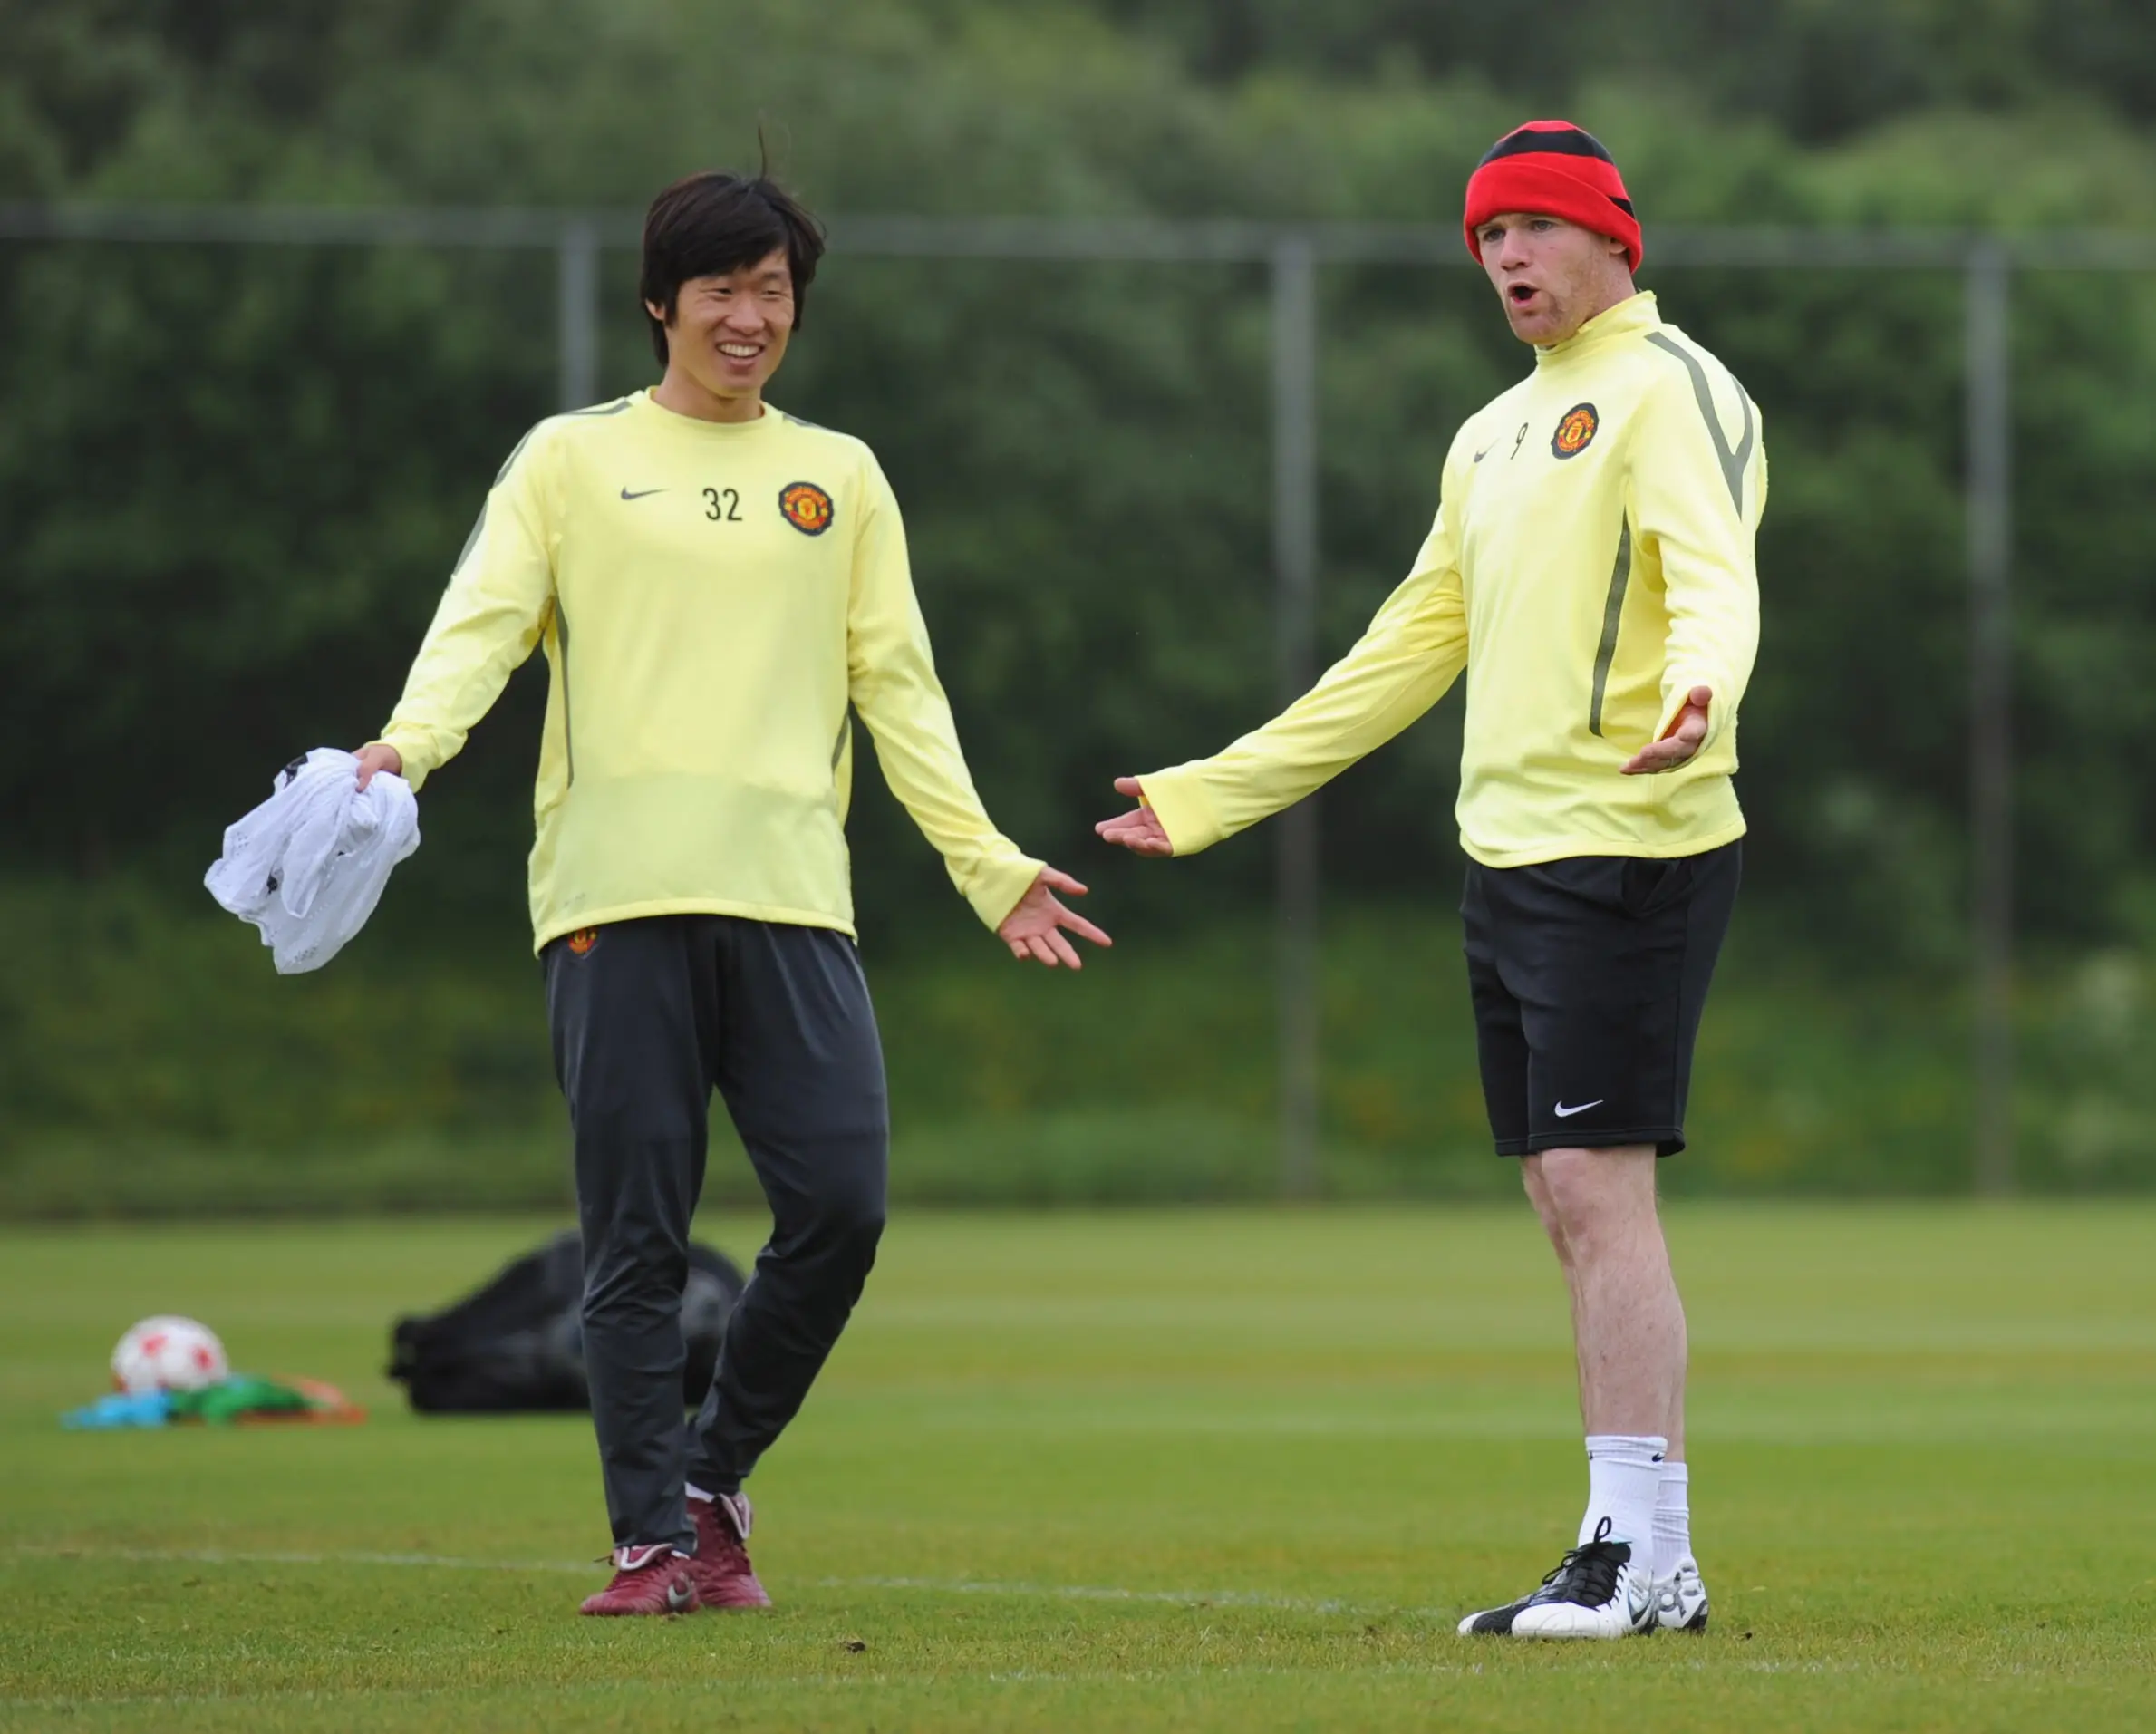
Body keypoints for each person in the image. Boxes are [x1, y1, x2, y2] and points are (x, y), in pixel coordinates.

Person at [357, 170, 1109, 1616]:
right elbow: (482, 630)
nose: (751, 317)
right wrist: (409, 745)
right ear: (662, 301)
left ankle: (710, 1481)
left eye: (774, 291)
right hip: (613, 894)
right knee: (634, 1234)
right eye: (723, 290)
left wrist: (987, 866)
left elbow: (899, 689)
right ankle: (650, 1544)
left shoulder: (845, 476)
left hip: (790, 899)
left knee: (844, 1204)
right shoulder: (568, 463)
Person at [1097, 120, 1762, 1641]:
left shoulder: (1673, 389)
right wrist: (1213, 795)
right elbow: (1403, 648)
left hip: (1631, 841)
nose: (1507, 257)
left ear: (1613, 239)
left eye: (1532, 227)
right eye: (1486, 236)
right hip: (1507, 855)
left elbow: (1713, 577)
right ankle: (1652, 1557)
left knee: (1600, 1188)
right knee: (1557, 1192)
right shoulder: (1488, 435)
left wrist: (1703, 693)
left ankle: (1619, 1550)